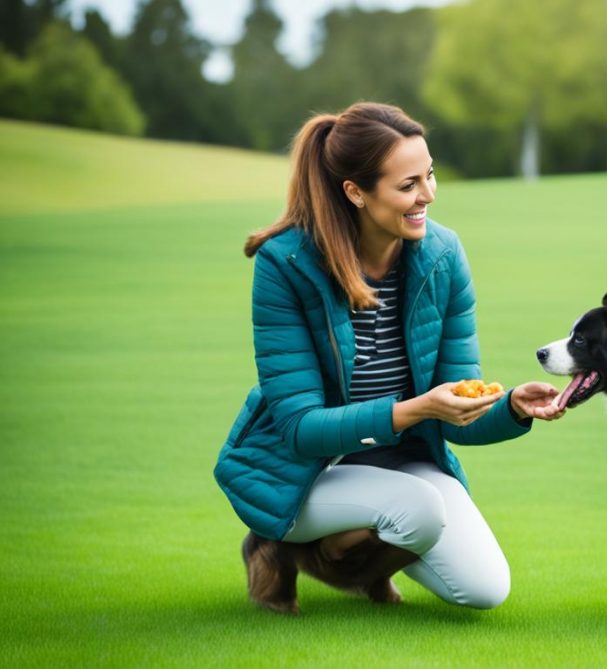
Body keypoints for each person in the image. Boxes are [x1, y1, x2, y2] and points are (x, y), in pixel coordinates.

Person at [213, 102, 564, 614]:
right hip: (308, 471)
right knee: (419, 510)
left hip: (401, 465)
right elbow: (299, 428)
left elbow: (458, 415)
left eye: (430, 176)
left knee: (486, 589)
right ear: (355, 192)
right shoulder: (284, 264)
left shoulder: (444, 257)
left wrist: (509, 407)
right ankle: (278, 544)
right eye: (407, 186)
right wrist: (417, 409)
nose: (427, 196)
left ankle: (347, 559)